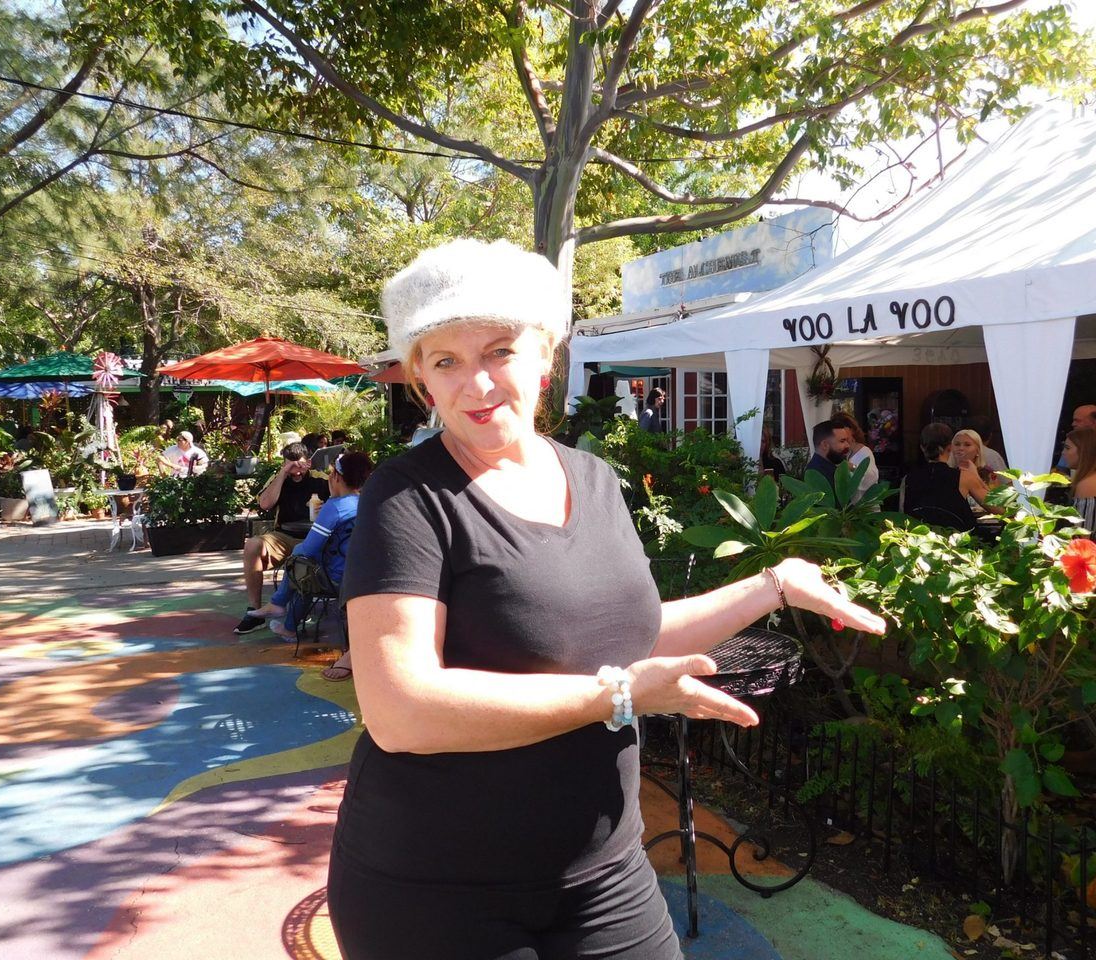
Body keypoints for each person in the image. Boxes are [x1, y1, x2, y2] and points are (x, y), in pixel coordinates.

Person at [327, 237, 886, 960]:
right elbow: (400, 709)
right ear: (421, 382)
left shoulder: (591, 478)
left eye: (500, 350)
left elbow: (629, 637)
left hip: (603, 873)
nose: (477, 383)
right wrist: (618, 697)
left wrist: (772, 586)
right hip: (435, 888)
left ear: (545, 356)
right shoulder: (407, 496)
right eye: (446, 361)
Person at [250, 450, 373, 645]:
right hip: (367, 576)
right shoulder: (368, 502)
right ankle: (285, 620)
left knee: (302, 563)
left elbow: (308, 549)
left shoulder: (335, 507)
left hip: (338, 580)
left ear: (335, 477)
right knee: (307, 566)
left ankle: (279, 606)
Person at [234, 441, 330, 635]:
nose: (297, 472)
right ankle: (255, 610)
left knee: (303, 556)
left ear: (308, 462)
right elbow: (265, 504)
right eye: (291, 466)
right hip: (283, 535)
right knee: (253, 545)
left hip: (314, 537)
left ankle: (291, 614)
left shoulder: (320, 479)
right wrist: (283, 474)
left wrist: (325, 508)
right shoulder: (279, 478)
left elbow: (342, 500)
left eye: (300, 466)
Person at [901, 422, 988, 532]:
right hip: (956, 544)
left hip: (919, 542)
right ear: (950, 447)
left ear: (922, 448)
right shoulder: (964, 477)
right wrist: (975, 475)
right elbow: (998, 508)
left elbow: (903, 516)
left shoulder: (908, 479)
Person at [830, 412, 878, 501]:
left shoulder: (864, 452)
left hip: (865, 507)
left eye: (842, 428)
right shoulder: (841, 451)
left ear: (851, 429)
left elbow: (871, 477)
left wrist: (852, 467)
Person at [804, 419, 852, 488]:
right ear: (825, 445)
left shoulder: (829, 467)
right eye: (842, 441)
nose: (847, 445)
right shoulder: (817, 476)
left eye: (846, 441)